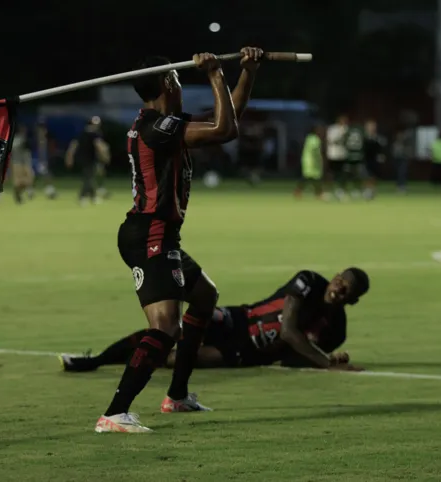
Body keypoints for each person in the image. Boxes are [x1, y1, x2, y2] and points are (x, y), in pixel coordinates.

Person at [94, 47, 262, 434]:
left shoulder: (162, 123)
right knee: (166, 327)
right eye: (179, 78)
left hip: (160, 233)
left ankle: (177, 396)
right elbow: (224, 131)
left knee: (205, 296)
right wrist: (216, 74)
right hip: (149, 234)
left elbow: (226, 118)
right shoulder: (158, 128)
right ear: (169, 83)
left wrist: (247, 73)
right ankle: (115, 413)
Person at [61, 268, 369, 373]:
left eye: (348, 292)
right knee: (172, 331)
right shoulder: (309, 281)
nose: (340, 289)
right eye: (342, 281)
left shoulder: (335, 330)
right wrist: (326, 362)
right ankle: (96, 361)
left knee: (175, 359)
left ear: (352, 301)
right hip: (238, 319)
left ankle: (118, 365)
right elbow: (288, 332)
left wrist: (325, 360)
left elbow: (290, 360)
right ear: (336, 276)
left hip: (246, 354)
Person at [64, 116, 110, 205]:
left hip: (82, 158)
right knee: (88, 178)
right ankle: (82, 197)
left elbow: (73, 146)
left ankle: (93, 197)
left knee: (89, 177)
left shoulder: (81, 133)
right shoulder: (95, 134)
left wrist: (69, 157)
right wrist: (105, 156)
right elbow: (99, 145)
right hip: (91, 158)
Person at [294, 124, 325, 199]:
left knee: (310, 176)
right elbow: (315, 151)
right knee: (313, 177)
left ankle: (316, 192)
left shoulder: (309, 138)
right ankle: (319, 193)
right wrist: (320, 159)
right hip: (311, 161)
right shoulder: (315, 139)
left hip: (307, 160)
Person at [340, 120, 366, 198]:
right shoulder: (361, 131)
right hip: (357, 155)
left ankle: (343, 190)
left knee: (347, 174)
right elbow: (365, 142)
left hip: (349, 155)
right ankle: (355, 190)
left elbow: (343, 142)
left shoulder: (348, 132)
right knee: (356, 174)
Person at [31, 121, 57, 200]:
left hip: (41, 159)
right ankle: (49, 191)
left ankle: (31, 191)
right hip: (38, 160)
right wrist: (41, 160)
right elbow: (40, 151)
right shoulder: (38, 139)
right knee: (45, 176)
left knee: (40, 176)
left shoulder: (44, 139)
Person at [326, 114, 349, 200]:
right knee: (331, 174)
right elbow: (331, 140)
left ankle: (341, 191)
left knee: (343, 174)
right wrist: (341, 136)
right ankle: (328, 191)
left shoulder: (346, 129)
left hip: (342, 155)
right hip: (333, 155)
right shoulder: (333, 129)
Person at [11, 124, 34, 204]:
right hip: (17, 162)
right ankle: (18, 195)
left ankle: (18, 193)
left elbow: (29, 148)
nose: (24, 131)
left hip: (26, 162)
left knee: (29, 180)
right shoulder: (16, 139)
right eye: (22, 129)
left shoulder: (26, 138)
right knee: (18, 181)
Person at [362, 119, 385, 200]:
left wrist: (381, 156)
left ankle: (372, 190)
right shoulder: (364, 137)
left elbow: (380, 149)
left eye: (373, 126)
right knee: (366, 176)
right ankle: (367, 191)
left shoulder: (377, 138)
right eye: (370, 126)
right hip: (365, 159)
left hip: (374, 160)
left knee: (373, 176)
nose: (372, 128)